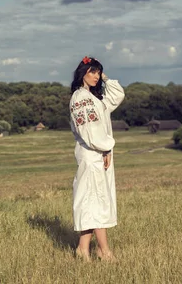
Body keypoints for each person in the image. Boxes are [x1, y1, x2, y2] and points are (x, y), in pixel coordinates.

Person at [69, 56, 125, 262]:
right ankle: (104, 250)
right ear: (82, 73)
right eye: (91, 72)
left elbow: (117, 96)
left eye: (98, 72)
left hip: (98, 154)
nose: (96, 76)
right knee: (96, 201)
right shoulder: (81, 99)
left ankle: (82, 249)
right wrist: (105, 148)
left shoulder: (95, 98)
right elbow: (89, 131)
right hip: (92, 155)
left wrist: (106, 77)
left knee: (93, 200)